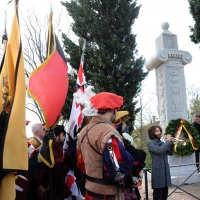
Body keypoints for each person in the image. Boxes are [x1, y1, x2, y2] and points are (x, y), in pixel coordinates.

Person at [77, 92, 134, 200]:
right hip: (107, 193)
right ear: (112, 109)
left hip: (90, 189)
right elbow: (118, 170)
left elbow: (80, 163)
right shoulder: (108, 130)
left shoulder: (83, 131)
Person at [114, 111, 146, 200]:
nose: (126, 125)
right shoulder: (118, 139)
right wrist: (141, 154)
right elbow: (135, 155)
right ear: (119, 124)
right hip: (122, 178)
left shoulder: (120, 138)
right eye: (124, 123)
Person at [38, 125, 71, 200]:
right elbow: (56, 168)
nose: (64, 137)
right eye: (63, 135)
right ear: (56, 137)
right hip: (53, 191)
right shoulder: (51, 150)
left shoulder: (56, 147)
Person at [15, 122, 46, 200]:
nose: (46, 131)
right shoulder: (32, 143)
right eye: (44, 129)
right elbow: (32, 162)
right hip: (31, 180)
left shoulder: (29, 143)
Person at [147, 125, 174, 200]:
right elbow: (159, 150)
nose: (159, 132)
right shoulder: (150, 143)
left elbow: (170, 153)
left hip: (165, 169)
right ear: (152, 133)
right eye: (157, 131)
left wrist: (172, 144)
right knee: (158, 193)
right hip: (158, 170)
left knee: (165, 192)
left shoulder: (162, 143)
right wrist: (168, 142)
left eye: (159, 130)